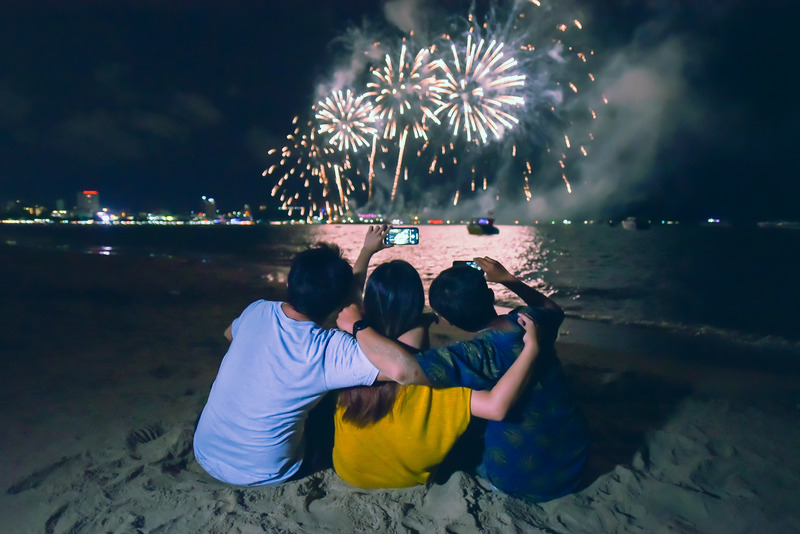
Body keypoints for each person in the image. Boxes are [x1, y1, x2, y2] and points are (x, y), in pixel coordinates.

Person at [337, 257, 588, 502]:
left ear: (445, 320)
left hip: (514, 479)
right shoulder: (529, 321)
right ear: (490, 297)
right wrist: (509, 280)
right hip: (575, 462)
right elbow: (553, 309)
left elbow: (405, 370)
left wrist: (358, 325)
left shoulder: (473, 355)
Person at [192, 238, 425, 486]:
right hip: (265, 472)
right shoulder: (330, 350)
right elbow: (405, 368)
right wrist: (413, 321)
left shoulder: (256, 310)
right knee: (334, 401)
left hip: (205, 452)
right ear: (340, 303)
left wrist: (366, 251)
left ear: (290, 281)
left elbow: (229, 334)